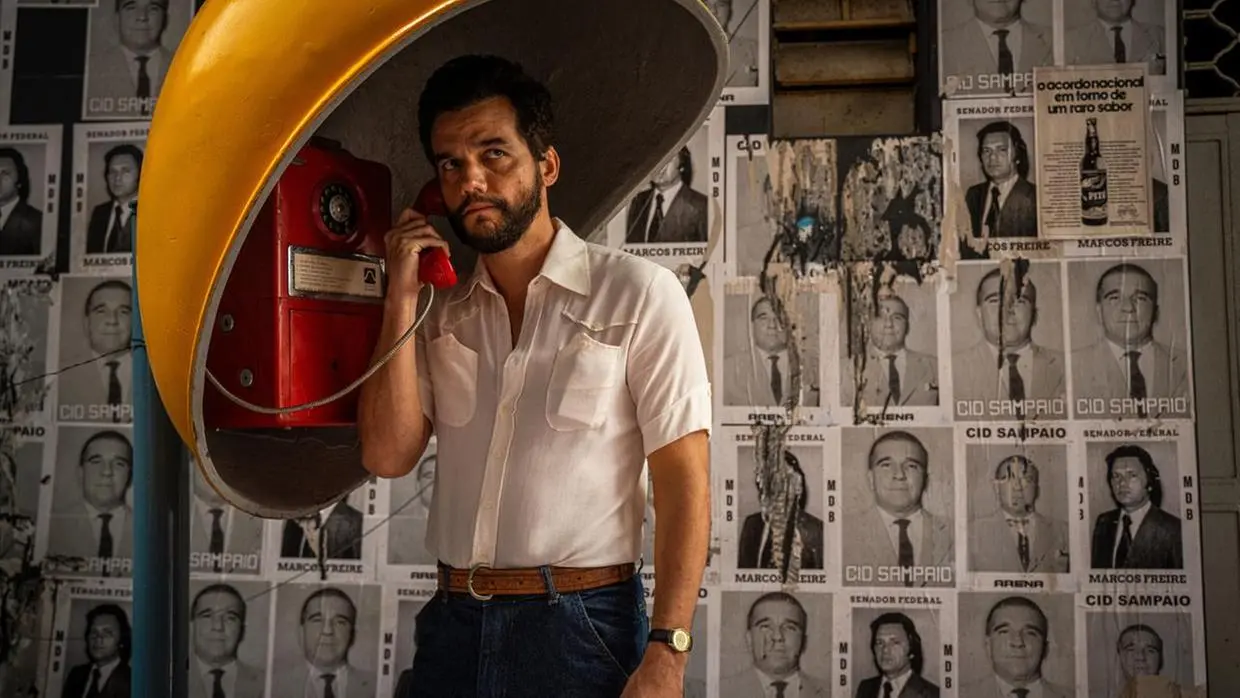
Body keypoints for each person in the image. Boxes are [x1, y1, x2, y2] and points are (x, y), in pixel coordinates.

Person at [357, 55, 712, 697]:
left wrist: (669, 652)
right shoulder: (439, 317)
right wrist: (401, 297)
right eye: (450, 165)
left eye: (494, 154)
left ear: (546, 165)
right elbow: (386, 454)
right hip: (453, 625)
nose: (471, 181)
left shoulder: (640, 295)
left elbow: (684, 484)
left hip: (581, 626)